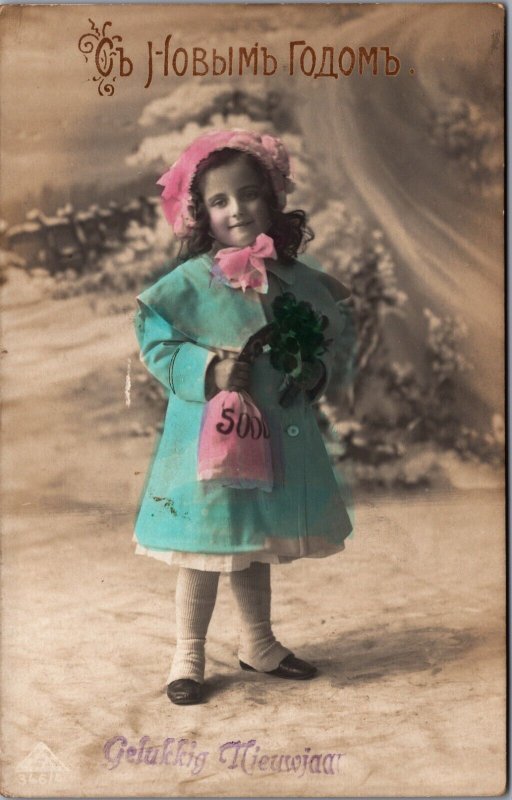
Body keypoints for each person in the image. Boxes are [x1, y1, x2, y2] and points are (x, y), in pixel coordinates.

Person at [133, 129, 353, 705]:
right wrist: (207, 368)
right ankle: (188, 652)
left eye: (249, 194)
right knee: (206, 545)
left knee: (251, 540)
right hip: (210, 437)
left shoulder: (298, 280)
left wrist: (315, 371)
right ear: (201, 214)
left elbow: (333, 334)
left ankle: (258, 642)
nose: (237, 210)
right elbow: (157, 344)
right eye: (220, 201)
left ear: (272, 200)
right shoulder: (187, 284)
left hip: (273, 432)